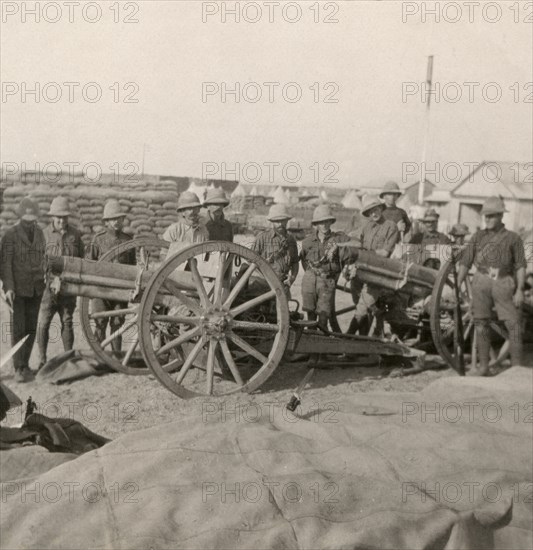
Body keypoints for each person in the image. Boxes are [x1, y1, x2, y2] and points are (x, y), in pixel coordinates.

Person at [457, 196, 526, 376]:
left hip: (503, 281)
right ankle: (484, 367)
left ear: (501, 216)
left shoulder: (513, 238)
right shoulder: (478, 236)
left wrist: (519, 290)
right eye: (485, 216)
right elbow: (465, 262)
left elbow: (520, 265)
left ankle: (517, 370)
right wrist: (458, 285)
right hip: (481, 281)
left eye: (492, 216)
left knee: (514, 324)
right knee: (481, 323)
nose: (487, 219)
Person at [0, 198, 45, 382]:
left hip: (36, 289)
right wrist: (9, 288)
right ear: (20, 218)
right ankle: (19, 368)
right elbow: (5, 264)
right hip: (17, 290)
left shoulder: (40, 233)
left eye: (32, 220)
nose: (29, 223)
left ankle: (26, 365)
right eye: (26, 220)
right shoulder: (10, 235)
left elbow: (44, 257)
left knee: (31, 329)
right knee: (18, 329)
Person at [37, 197, 85, 369]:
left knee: (67, 320)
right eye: (58, 217)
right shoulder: (43, 235)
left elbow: (82, 260)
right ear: (52, 217)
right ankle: (42, 360)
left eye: (64, 217)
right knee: (43, 322)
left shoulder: (76, 235)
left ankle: (67, 358)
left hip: (68, 287)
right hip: (48, 288)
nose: (61, 220)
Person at [345, 195, 400, 335]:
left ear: (381, 209)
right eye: (370, 211)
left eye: (376, 210)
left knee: (362, 309)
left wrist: (365, 253)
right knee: (363, 308)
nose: (374, 214)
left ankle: (347, 337)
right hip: (361, 272)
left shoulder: (391, 226)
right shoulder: (366, 227)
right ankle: (362, 343)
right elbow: (356, 243)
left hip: (378, 273)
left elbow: (385, 253)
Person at [86, 199, 136, 353]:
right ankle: (98, 356)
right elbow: (90, 264)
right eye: (112, 219)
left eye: (119, 218)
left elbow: (132, 267)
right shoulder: (98, 239)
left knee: (117, 323)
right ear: (106, 222)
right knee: (100, 322)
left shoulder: (128, 240)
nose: (116, 222)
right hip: (101, 291)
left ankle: (116, 357)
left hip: (120, 290)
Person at [300, 205, 349, 331]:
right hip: (310, 279)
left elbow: (354, 244)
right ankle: (311, 344)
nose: (324, 225)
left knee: (323, 316)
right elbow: (304, 260)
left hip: (327, 281)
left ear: (331, 222)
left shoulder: (338, 239)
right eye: (321, 222)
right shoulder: (307, 241)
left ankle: (322, 346)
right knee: (310, 314)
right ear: (316, 224)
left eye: (327, 221)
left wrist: (338, 245)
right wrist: (311, 274)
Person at [252, 203, 299, 296]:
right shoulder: (262, 238)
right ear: (272, 221)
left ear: (287, 221)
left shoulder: (291, 240)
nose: (280, 224)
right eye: (277, 221)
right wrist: (262, 278)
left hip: (283, 285)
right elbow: (251, 261)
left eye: (283, 221)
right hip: (264, 285)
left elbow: (295, 263)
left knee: (283, 310)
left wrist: (292, 278)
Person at [162, 191, 209, 257]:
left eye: (195, 208)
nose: (192, 212)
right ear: (182, 212)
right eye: (189, 209)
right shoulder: (174, 230)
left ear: (198, 210)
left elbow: (206, 255)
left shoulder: (203, 230)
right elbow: (164, 254)